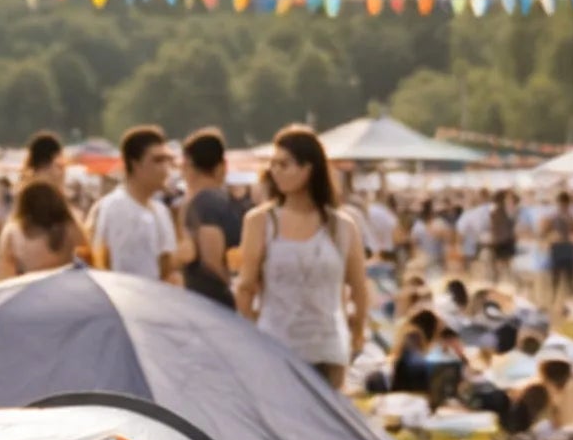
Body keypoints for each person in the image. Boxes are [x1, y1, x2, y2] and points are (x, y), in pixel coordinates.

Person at [235, 126, 368, 389]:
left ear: (308, 168)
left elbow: (359, 286)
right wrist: (250, 331)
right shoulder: (261, 221)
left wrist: (358, 333)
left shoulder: (341, 225)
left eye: (284, 164)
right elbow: (246, 285)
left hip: (327, 347)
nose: (276, 171)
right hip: (276, 345)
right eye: (273, 164)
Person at [90, 127, 179, 283]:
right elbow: (103, 261)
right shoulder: (114, 207)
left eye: (167, 160)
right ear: (135, 163)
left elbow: (166, 266)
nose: (165, 168)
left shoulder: (161, 211)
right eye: (157, 160)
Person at [179, 127, 244, 308]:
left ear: (188, 165)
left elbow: (211, 261)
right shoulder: (226, 200)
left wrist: (232, 291)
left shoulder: (204, 202)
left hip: (210, 303)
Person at [0, 135, 66, 278]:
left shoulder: (21, 194)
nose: (62, 173)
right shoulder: (50, 195)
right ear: (54, 160)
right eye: (60, 166)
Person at [1, 179, 80, 275]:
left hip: (30, 283)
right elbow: (87, 257)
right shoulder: (70, 228)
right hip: (65, 282)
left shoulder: (13, 231)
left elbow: (5, 272)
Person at [544, 190, 573, 306]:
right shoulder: (564, 215)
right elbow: (546, 230)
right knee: (560, 276)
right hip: (561, 246)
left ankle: (567, 300)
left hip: (564, 247)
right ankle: (556, 299)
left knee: (567, 276)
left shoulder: (565, 215)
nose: (563, 205)